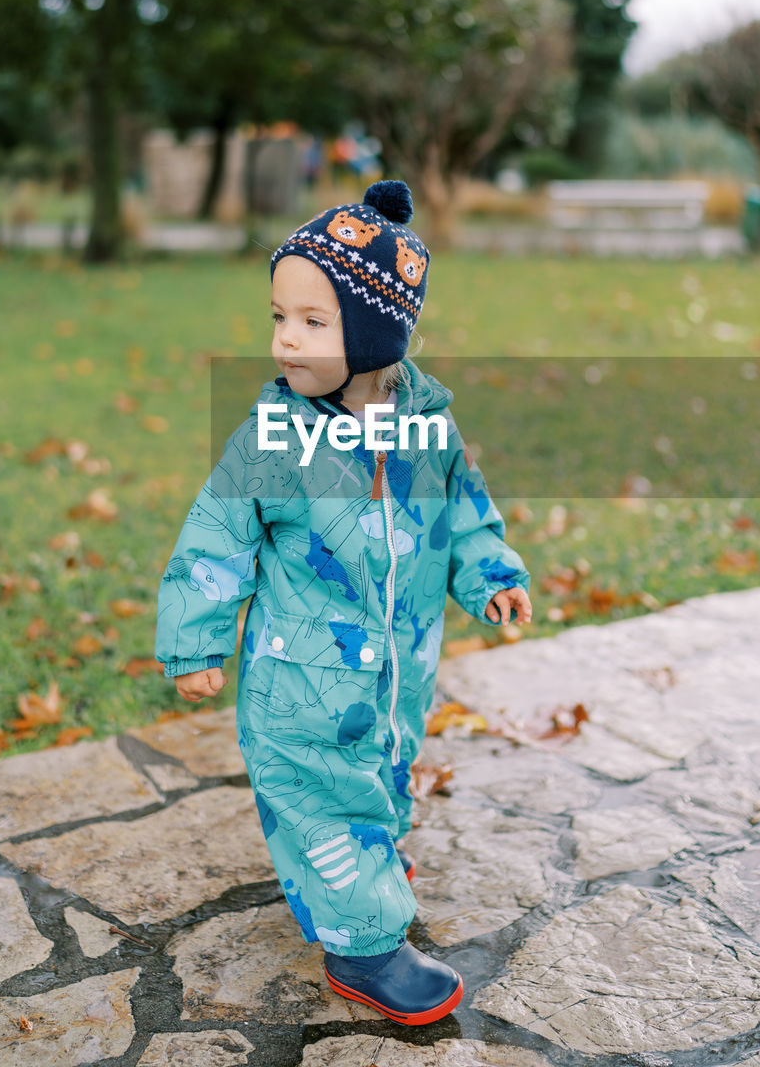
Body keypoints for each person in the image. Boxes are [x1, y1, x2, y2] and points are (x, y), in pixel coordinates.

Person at [155, 179, 532, 1026]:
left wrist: (492, 575)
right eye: (277, 317)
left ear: (373, 332)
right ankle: (364, 951)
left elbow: (464, 512)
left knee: (379, 781)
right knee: (327, 798)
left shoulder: (425, 423)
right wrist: (195, 640)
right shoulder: (273, 438)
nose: (285, 339)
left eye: (312, 321)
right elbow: (217, 536)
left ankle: (368, 866)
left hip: (396, 673)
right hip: (304, 685)